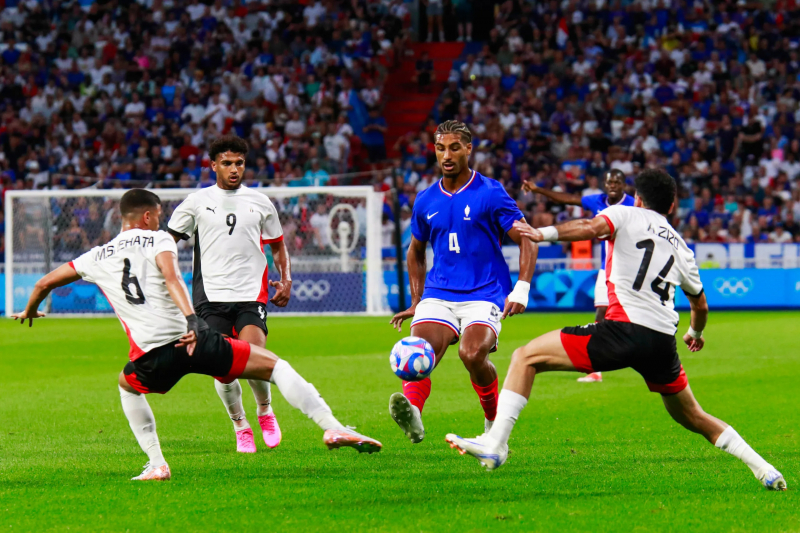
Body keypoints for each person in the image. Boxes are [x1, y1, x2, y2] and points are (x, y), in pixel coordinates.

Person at [444, 169, 786, 491]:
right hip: (661, 342)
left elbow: (590, 227)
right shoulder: (682, 248)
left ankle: (495, 443)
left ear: (638, 199)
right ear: (671, 206)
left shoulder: (625, 214)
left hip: (622, 331)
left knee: (524, 357)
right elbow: (700, 306)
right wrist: (694, 335)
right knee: (692, 415)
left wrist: (542, 233)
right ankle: (764, 468)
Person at [12, 189, 381, 481]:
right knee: (274, 366)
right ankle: (331, 427)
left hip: (150, 356)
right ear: (147, 216)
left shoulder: (95, 256)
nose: (161, 222)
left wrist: (30, 309)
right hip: (193, 340)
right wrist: (192, 321)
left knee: (127, 386)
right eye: (158, 216)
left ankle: (157, 463)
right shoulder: (159, 240)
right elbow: (172, 277)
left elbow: (44, 283)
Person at [389, 120, 537, 443]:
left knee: (471, 354)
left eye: (454, 147)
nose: (447, 155)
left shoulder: (490, 192)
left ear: (469, 149)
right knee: (418, 351)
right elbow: (415, 251)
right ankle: (413, 414)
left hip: (485, 292)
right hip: (439, 292)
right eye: (440, 148)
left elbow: (527, 238)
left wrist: (522, 288)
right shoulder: (426, 199)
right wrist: (416, 300)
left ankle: (493, 421)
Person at [167, 135, 291, 453]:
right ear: (213, 165)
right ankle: (240, 425)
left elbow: (278, 245)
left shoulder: (260, 202)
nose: (234, 169)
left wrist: (286, 279)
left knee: (255, 356)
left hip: (251, 293)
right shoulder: (196, 202)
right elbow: (167, 242)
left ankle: (265, 411)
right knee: (223, 370)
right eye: (226, 163)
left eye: (239, 163)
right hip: (210, 297)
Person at [523, 169, 635, 383]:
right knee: (601, 313)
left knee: (630, 315)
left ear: (624, 185)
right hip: (607, 268)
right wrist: (539, 190)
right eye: (609, 182)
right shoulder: (598, 201)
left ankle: (642, 355)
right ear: (605, 184)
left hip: (629, 269)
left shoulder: (633, 205)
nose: (612, 185)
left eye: (617, 182)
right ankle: (596, 369)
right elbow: (568, 198)